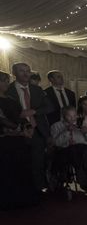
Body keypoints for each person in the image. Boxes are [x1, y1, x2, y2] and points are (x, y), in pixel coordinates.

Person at [7, 62, 52, 191]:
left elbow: (49, 107)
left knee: (38, 162)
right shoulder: (8, 90)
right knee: (20, 162)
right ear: (14, 73)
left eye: (28, 70)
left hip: (37, 130)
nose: (26, 73)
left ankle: (38, 189)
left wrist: (34, 111)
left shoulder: (37, 89)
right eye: (22, 71)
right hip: (18, 132)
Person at [0, 71, 40, 209]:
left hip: (18, 140)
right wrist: (17, 129)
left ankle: (24, 198)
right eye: (4, 81)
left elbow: (20, 116)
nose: (6, 83)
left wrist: (27, 127)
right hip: (4, 142)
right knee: (7, 170)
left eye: (7, 80)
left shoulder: (11, 99)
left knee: (22, 168)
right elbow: (2, 119)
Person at [50, 106, 87, 194]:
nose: (72, 118)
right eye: (69, 116)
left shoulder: (81, 124)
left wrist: (86, 133)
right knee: (76, 155)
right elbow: (56, 143)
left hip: (83, 148)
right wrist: (67, 132)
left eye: (74, 116)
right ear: (64, 116)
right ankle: (85, 183)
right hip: (66, 150)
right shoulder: (56, 126)